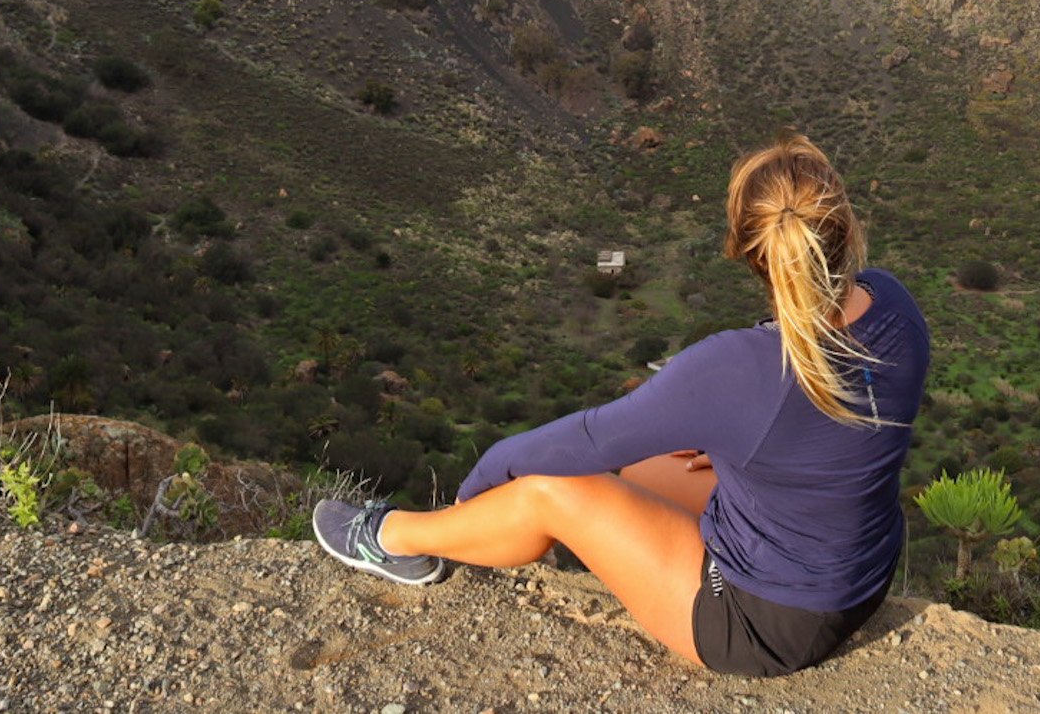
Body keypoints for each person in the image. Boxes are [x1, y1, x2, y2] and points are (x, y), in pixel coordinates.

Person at [313, 132, 931, 678]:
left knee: (546, 489)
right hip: (862, 573)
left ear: (748, 250)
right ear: (846, 229)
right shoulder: (895, 306)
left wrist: (479, 487)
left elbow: (583, 439)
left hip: (765, 623)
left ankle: (394, 538)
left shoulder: (733, 366)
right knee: (639, 468)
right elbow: (809, 430)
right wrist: (725, 437)